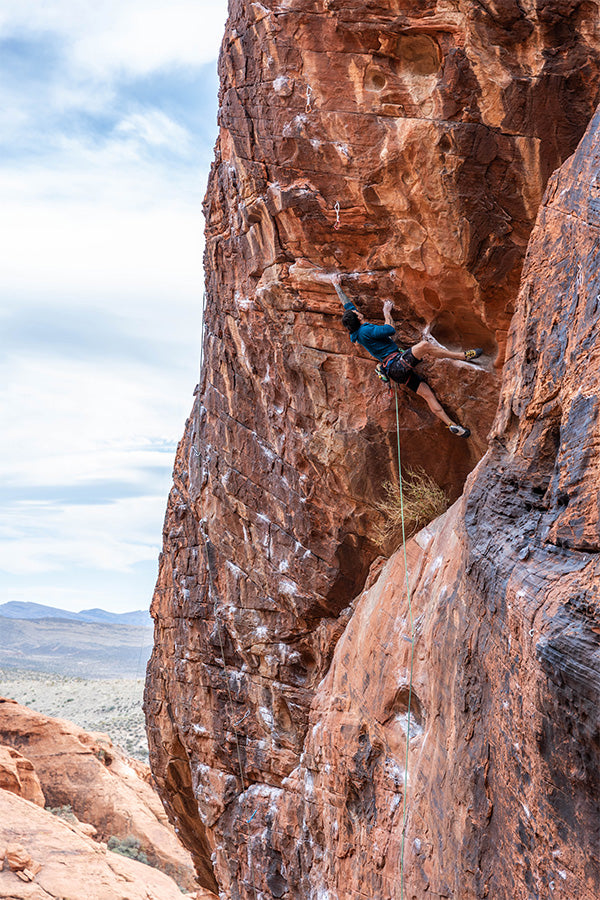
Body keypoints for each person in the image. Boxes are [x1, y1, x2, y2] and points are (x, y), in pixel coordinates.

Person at [329, 274, 482, 438]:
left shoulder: (356, 333)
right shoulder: (366, 330)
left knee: (428, 395)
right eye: (356, 313)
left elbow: (347, 307)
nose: (357, 311)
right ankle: (462, 356)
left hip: (395, 372)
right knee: (424, 346)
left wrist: (337, 285)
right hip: (397, 364)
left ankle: (452, 425)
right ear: (358, 319)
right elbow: (390, 330)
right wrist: (386, 312)